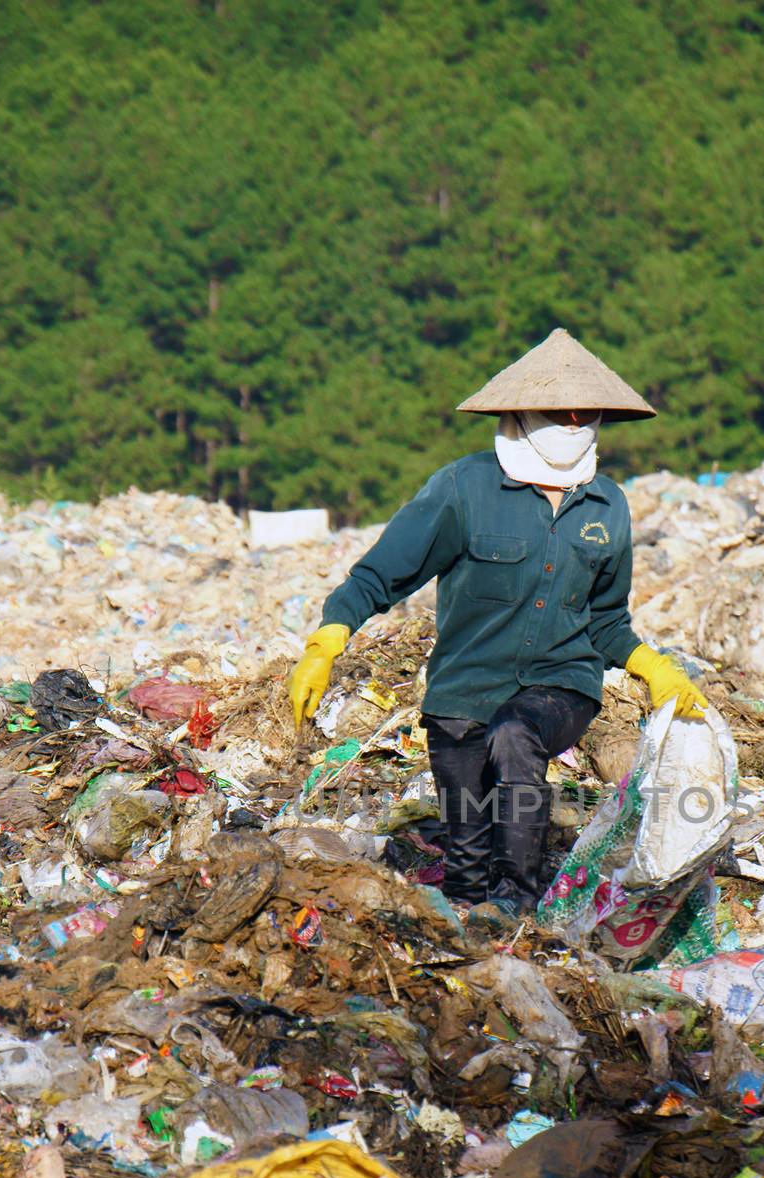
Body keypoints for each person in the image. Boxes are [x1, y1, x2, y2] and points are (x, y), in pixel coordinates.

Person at [289, 328, 707, 925]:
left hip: (561, 683)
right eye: (558, 411)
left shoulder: (606, 506)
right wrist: (327, 639)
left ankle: (521, 896)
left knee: (515, 734)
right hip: (463, 691)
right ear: (519, 412)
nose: (572, 421)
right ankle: (476, 929)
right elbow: (383, 574)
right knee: (465, 863)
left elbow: (607, 619)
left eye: (584, 413)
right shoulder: (465, 489)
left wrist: (652, 666)